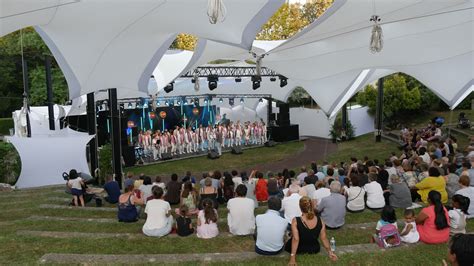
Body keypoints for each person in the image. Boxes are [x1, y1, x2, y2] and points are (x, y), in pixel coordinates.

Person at [286, 197, 338, 265]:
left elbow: (296, 239)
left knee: (288, 237)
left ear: (300, 207)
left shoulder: (295, 220)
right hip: (314, 249)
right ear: (312, 206)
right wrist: (330, 252)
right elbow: (324, 238)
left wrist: (292, 258)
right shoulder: (320, 220)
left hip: (299, 249)